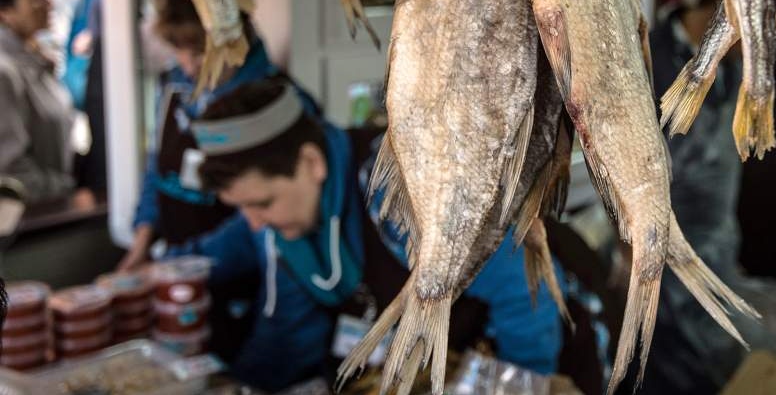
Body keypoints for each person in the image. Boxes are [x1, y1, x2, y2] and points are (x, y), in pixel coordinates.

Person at [173, 78, 566, 392]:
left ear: (310, 163)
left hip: (529, 347)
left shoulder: (403, 194)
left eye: (262, 203)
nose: (254, 224)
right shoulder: (289, 220)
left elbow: (525, 291)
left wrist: (520, 385)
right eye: (242, 208)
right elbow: (285, 325)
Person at [637, 0, 776, 394]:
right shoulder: (654, 58)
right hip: (666, 243)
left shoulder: (727, 66)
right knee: (669, 357)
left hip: (716, 244)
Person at [118, 0, 283, 269]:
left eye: (199, 53)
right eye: (178, 50)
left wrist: (177, 265)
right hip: (174, 265)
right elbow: (158, 169)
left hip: (233, 272)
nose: (188, 65)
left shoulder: (266, 101)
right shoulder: (174, 86)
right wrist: (141, 243)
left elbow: (255, 221)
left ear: (233, 40)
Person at [0, 0, 76, 205]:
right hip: (35, 222)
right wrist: (65, 189)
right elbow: (11, 169)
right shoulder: (6, 71)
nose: (49, 3)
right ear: (5, 11)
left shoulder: (35, 60)